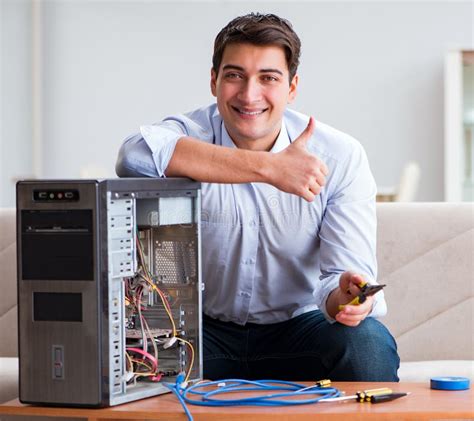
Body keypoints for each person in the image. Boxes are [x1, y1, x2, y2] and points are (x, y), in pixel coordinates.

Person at [116, 12, 399, 381]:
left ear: (292, 87)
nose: (249, 95)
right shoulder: (190, 133)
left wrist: (347, 300)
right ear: (214, 80)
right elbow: (132, 157)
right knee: (125, 355)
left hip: (299, 331)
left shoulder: (339, 156)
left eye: (268, 78)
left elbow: (336, 283)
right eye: (234, 75)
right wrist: (269, 167)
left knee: (368, 344)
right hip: (200, 334)